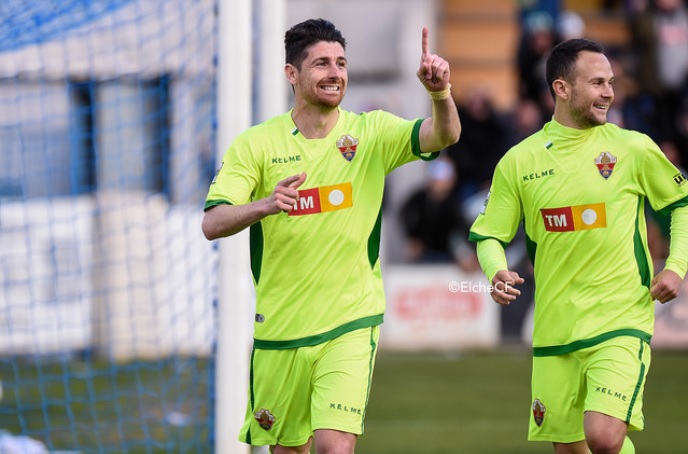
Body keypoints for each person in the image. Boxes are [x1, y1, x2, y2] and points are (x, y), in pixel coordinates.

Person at [202, 18, 460, 454]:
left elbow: (444, 134)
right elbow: (213, 222)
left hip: (350, 322)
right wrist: (263, 205)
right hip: (280, 329)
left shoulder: (371, 132)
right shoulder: (255, 145)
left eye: (341, 62)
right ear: (291, 74)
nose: (335, 72)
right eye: (321, 63)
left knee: (334, 447)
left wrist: (439, 94)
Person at [469, 38, 688, 454]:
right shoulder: (519, 161)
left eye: (611, 82)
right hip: (555, 327)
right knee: (571, 449)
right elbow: (489, 235)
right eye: (597, 82)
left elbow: (683, 204)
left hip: (620, 319)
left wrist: (676, 265)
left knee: (603, 437)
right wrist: (495, 271)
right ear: (562, 88)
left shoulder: (633, 148)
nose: (608, 92)